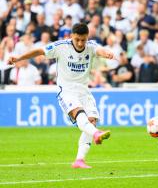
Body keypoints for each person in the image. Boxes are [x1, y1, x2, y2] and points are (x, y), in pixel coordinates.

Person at [7, 23, 117, 169]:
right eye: (77, 39)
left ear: (87, 38)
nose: (80, 43)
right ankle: (96, 133)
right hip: (66, 91)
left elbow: (100, 49)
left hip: (84, 91)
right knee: (81, 115)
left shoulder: (90, 46)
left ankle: (79, 160)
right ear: (71, 36)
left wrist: (106, 53)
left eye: (83, 40)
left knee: (92, 121)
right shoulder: (61, 46)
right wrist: (19, 58)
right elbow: (39, 51)